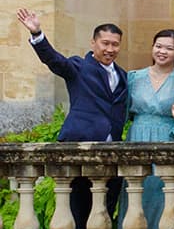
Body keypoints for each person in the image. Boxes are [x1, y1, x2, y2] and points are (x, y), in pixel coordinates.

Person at [16, 9, 127, 140]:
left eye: (115, 45)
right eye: (105, 43)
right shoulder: (78, 67)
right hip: (80, 140)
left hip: (113, 143)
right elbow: (54, 60)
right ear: (93, 43)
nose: (110, 49)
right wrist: (37, 34)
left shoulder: (123, 75)